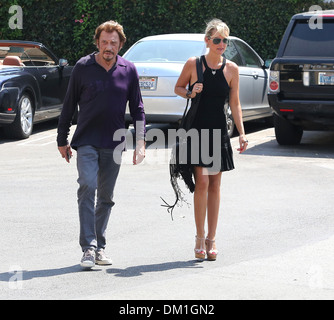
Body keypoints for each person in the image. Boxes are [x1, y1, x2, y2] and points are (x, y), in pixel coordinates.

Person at [57, 20, 146, 269]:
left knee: (105, 197)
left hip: (115, 143)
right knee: (87, 186)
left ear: (120, 45)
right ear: (97, 43)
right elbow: (68, 105)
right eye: (104, 42)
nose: (109, 47)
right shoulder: (82, 68)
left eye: (113, 43)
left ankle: (99, 246)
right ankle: (88, 247)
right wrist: (61, 139)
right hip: (86, 140)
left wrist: (140, 141)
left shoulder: (129, 70)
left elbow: (138, 109)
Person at [174, 19, 248, 261]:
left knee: (215, 186)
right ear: (207, 41)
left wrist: (242, 133)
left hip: (218, 133)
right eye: (217, 39)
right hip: (197, 131)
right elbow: (178, 87)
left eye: (225, 40)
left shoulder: (232, 69)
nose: (222, 44)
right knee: (202, 184)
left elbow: (235, 103)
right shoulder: (194, 64)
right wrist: (189, 91)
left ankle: (212, 238)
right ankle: (198, 236)